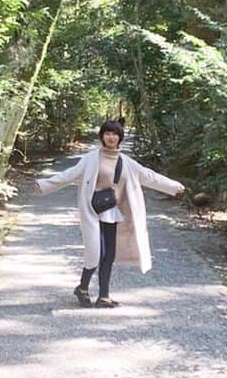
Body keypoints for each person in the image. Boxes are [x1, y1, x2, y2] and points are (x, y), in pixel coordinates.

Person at [35, 120, 184, 308]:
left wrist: (173, 186)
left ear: (120, 137)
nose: (111, 137)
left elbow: (149, 176)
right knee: (95, 252)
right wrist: (45, 184)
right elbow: (70, 174)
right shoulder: (91, 158)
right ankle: (83, 287)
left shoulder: (127, 162)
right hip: (93, 211)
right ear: (102, 136)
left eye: (114, 134)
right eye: (107, 133)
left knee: (109, 255)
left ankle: (103, 296)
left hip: (112, 212)